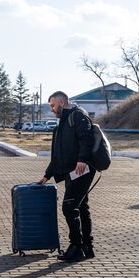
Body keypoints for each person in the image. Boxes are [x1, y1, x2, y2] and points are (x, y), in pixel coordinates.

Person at [38, 91, 96, 262]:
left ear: (62, 103)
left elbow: (87, 138)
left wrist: (83, 159)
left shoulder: (77, 116)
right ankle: (87, 247)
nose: (52, 109)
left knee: (69, 207)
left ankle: (76, 247)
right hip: (72, 171)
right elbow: (57, 154)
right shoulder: (62, 123)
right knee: (81, 207)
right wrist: (47, 175)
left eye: (53, 105)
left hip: (81, 169)